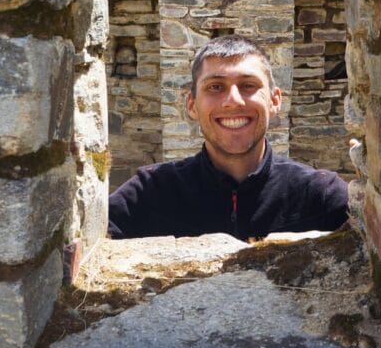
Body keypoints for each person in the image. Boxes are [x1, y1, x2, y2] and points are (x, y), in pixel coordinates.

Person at [108, 35, 349, 241]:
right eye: (215, 87)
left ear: (274, 101)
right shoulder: (150, 192)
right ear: (191, 105)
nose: (233, 100)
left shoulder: (320, 196)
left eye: (248, 85)